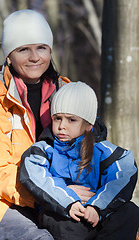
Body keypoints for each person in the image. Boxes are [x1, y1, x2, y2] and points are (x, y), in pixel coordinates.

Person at [0, 9, 102, 240]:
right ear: (8, 55)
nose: (35, 57)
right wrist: (55, 192)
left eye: (41, 47)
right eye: (23, 49)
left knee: (123, 220)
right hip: (3, 204)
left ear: (50, 50)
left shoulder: (67, 92)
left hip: (61, 198)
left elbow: (93, 152)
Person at [20, 81, 139, 240]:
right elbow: (37, 177)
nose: (62, 126)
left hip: (96, 210)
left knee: (129, 212)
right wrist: (68, 200)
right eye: (57, 118)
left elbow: (123, 173)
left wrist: (97, 207)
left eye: (71, 120)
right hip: (62, 212)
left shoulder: (102, 150)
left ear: (88, 125)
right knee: (68, 225)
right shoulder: (43, 150)